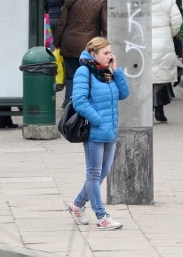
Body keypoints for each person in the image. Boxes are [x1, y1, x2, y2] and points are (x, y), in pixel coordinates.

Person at [66, 36, 129, 230]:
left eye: (110, 52)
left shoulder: (107, 72)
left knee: (104, 172)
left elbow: (124, 94)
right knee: (93, 174)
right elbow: (79, 101)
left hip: (110, 130)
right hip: (95, 131)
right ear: (93, 54)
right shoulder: (84, 71)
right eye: (106, 53)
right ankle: (101, 216)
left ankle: (77, 205)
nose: (110, 56)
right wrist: (98, 120)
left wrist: (116, 70)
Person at [53, 0, 108, 107]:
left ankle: (68, 103)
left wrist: (57, 42)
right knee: (87, 76)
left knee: (71, 76)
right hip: (88, 46)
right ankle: (83, 104)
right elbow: (105, 24)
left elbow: (62, 23)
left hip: (69, 43)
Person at [151, 0, 182, 123]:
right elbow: (177, 21)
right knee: (161, 77)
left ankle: (145, 110)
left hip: (144, 43)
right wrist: (170, 34)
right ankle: (160, 110)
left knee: (146, 77)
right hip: (163, 42)